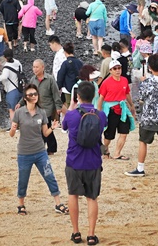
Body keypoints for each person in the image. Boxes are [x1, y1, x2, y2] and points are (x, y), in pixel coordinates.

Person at [10, 82, 69, 216]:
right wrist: (13, 129)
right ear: (25, 97)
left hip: (40, 151)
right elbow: (11, 134)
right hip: (24, 153)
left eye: (35, 93)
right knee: (23, 179)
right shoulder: (19, 112)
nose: (34, 96)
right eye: (30, 94)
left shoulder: (41, 112)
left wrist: (53, 128)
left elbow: (45, 133)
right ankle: (21, 204)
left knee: (50, 176)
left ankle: (58, 203)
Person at [63, 80, 106, 245]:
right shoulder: (100, 115)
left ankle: (75, 232)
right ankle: (91, 234)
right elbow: (103, 127)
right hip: (93, 161)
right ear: (94, 95)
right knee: (92, 198)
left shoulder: (72, 115)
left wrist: (73, 106)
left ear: (78, 96)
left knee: (73, 195)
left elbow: (65, 127)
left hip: (74, 161)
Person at [126, 54, 158, 177]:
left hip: (149, 116)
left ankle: (140, 168)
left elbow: (141, 98)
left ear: (149, 67)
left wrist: (143, 81)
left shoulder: (147, 83)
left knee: (143, 141)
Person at [97, 62, 135, 159]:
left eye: (119, 68)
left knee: (124, 133)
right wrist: (99, 112)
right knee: (109, 135)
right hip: (111, 110)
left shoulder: (124, 80)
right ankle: (105, 151)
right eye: (115, 68)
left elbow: (127, 94)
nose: (118, 70)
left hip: (122, 109)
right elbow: (101, 98)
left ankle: (117, 153)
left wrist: (131, 105)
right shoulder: (106, 83)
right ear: (110, 71)